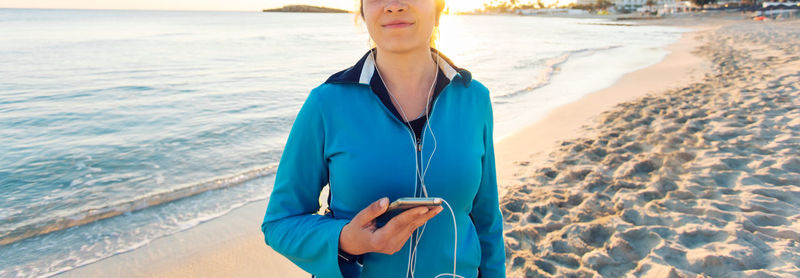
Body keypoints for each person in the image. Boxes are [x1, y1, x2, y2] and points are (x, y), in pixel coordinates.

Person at [260, 0, 506, 277]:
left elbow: (487, 221)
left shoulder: (474, 98)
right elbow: (279, 222)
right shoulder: (326, 103)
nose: (393, 5)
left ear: (439, 7)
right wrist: (345, 240)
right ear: (363, 12)